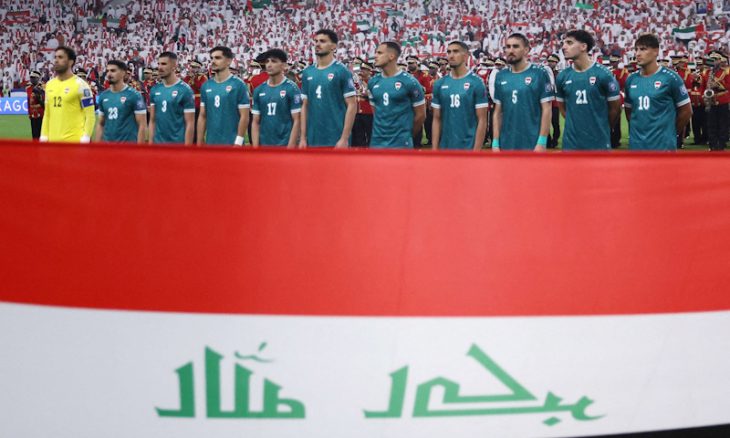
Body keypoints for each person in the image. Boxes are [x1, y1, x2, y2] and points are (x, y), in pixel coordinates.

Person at [624, 34, 692, 151]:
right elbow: (629, 113)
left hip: (663, 148)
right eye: (636, 49)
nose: (638, 53)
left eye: (643, 49)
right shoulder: (631, 80)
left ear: (656, 51)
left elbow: (686, 111)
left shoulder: (671, 78)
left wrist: (671, 132)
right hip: (637, 147)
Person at [555, 30, 621, 151]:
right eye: (563, 43)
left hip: (598, 143)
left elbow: (615, 109)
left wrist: (601, 127)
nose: (564, 47)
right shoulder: (562, 77)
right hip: (571, 144)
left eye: (569, 43)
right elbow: (563, 110)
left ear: (583, 47)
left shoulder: (604, 74)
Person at [491, 33, 554, 151]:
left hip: (532, 143)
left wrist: (542, 141)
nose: (510, 50)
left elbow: (547, 109)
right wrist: (495, 143)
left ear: (526, 50)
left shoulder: (539, 73)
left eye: (515, 46)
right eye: (508, 47)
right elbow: (498, 112)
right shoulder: (501, 76)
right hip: (506, 143)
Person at [299, 29, 357, 148]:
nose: (317, 44)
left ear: (333, 46)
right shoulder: (307, 72)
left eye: (322, 41)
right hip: (313, 137)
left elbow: (352, 105)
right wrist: (303, 137)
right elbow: (304, 105)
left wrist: (344, 138)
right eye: (316, 41)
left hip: (336, 137)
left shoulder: (342, 71)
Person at [431, 40, 489, 151]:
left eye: (456, 51)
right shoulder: (439, 83)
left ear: (465, 56)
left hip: (468, 148)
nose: (451, 55)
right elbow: (436, 119)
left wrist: (476, 151)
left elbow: (482, 120)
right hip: (445, 148)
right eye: (449, 52)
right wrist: (434, 150)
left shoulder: (476, 83)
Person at [367, 41, 425, 148]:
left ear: (391, 56)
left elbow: (421, 115)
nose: (375, 56)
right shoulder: (372, 82)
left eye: (379, 53)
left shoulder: (410, 82)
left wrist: (407, 135)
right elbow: (376, 113)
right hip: (377, 143)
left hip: (401, 144)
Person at [40, 46, 96, 143]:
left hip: (74, 143)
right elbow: (47, 114)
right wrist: (44, 136)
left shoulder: (81, 85)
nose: (56, 60)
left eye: (60, 57)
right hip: (53, 143)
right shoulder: (49, 85)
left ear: (71, 62)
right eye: (55, 57)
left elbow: (90, 115)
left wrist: (86, 137)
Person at [197, 46, 250, 146]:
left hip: (232, 144)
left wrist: (238, 142)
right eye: (212, 58)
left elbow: (244, 116)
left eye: (218, 58)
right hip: (211, 143)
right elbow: (202, 116)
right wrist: (199, 141)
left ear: (228, 61)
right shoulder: (206, 86)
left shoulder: (238, 85)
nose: (213, 61)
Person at [251, 48, 302, 147]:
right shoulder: (259, 90)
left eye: (274, 61)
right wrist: (256, 147)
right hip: (264, 146)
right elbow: (255, 122)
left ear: (284, 65)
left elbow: (297, 120)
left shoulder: (292, 88)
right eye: (267, 61)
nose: (269, 65)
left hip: (285, 146)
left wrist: (291, 146)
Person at [148, 52, 195, 145]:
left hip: (177, 146)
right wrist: (150, 144)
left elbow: (190, 123)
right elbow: (152, 120)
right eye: (159, 64)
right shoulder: (154, 89)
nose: (159, 67)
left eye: (164, 64)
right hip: (158, 145)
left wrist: (187, 149)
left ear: (174, 67)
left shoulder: (185, 90)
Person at [94, 60, 146, 143]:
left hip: (127, 147)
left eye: (113, 71)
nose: (109, 74)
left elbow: (142, 125)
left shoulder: (134, 95)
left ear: (123, 73)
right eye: (107, 71)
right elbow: (100, 124)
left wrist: (140, 149)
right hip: (108, 147)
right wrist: (97, 147)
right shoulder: (103, 96)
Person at [705, 51, 730, 151]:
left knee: (723, 124)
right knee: (711, 124)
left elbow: (728, 85)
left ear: (720, 60)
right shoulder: (708, 72)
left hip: (722, 99)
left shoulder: (726, 72)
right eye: (712, 60)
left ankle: (721, 144)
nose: (714, 62)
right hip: (711, 100)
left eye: (715, 59)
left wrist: (719, 85)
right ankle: (713, 144)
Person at [183, 60, 208, 143]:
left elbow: (202, 88)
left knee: (198, 124)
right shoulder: (187, 77)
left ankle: (198, 141)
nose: (192, 69)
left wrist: (194, 80)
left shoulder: (203, 77)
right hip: (188, 104)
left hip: (198, 104)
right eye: (192, 67)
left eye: (195, 67)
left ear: (199, 68)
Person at [352, 61, 374, 147]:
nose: (361, 71)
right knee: (358, 136)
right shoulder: (357, 82)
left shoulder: (372, 82)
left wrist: (366, 95)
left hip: (369, 113)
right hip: (358, 112)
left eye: (364, 69)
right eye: (361, 69)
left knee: (370, 135)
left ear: (370, 71)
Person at [610, 55, 629, 148]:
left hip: (619, 96)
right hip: (609, 97)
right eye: (612, 62)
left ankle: (616, 139)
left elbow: (623, 82)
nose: (613, 64)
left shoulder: (623, 71)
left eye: (615, 62)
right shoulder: (610, 71)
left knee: (617, 119)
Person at [546, 53, 561, 148]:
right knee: (545, 122)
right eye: (549, 61)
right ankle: (548, 140)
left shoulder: (559, 74)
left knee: (555, 122)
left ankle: (555, 139)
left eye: (552, 61)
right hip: (546, 102)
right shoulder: (544, 73)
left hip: (555, 102)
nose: (550, 63)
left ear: (556, 63)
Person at [25, 70, 45, 141]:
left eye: (33, 78)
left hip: (41, 114)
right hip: (33, 115)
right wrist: (29, 113)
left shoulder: (43, 88)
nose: (32, 79)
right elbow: (28, 102)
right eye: (31, 78)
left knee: (41, 134)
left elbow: (45, 102)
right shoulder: (28, 89)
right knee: (34, 134)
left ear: (38, 78)